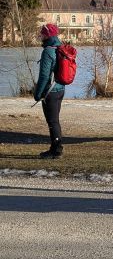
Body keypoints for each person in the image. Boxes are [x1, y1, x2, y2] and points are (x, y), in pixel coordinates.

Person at [35, 23, 65, 159]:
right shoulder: (59, 48)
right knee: (54, 121)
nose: (40, 36)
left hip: (50, 92)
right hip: (60, 89)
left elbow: (44, 76)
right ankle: (55, 148)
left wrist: (38, 93)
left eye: (42, 33)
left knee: (52, 121)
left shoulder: (48, 51)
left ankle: (56, 150)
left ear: (47, 35)